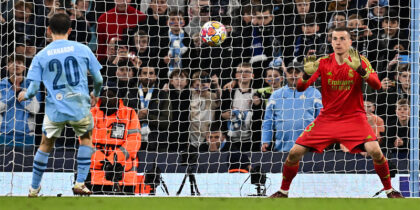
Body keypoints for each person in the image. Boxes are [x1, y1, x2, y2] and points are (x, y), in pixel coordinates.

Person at [269, 27, 403, 198]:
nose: (338, 42)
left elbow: (377, 85)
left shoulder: (360, 60)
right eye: (334, 39)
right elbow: (301, 87)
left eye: (342, 38)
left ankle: (390, 190)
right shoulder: (323, 62)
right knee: (294, 153)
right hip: (327, 119)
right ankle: (283, 191)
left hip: (354, 118)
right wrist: (306, 74)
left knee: (376, 152)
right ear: (331, 42)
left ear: (350, 42)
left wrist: (360, 70)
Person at [17, 13, 103, 197]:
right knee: (86, 139)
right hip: (79, 106)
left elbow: (33, 89)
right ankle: (80, 183)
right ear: (70, 31)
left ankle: (33, 188)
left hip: (55, 109)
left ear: (48, 30)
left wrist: (25, 95)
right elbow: (99, 79)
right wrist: (95, 94)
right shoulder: (82, 49)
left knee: (45, 145)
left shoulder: (41, 55)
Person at [88, 82, 141, 194]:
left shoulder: (130, 113)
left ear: (118, 97)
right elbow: (84, 142)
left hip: (124, 175)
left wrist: (113, 159)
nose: (108, 98)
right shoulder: (90, 114)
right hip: (95, 175)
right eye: (105, 95)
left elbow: (134, 141)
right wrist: (102, 161)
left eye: (111, 95)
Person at [261, 62, 322, 152]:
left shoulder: (314, 93)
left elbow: (321, 119)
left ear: (303, 74)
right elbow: (268, 121)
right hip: (282, 150)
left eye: (297, 72)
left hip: (309, 150)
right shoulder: (276, 95)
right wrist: (265, 140)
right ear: (286, 74)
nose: (293, 75)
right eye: (290, 72)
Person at [0, 54, 40, 147]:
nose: (16, 65)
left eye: (19, 62)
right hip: (3, 136)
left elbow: (35, 109)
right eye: (12, 63)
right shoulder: (1, 85)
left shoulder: (31, 85)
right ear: (6, 67)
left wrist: (20, 94)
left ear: (24, 67)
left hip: (27, 136)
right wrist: (12, 94)